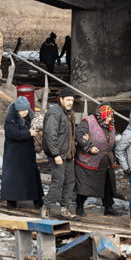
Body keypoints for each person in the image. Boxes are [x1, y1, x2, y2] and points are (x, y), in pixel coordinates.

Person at [74, 103, 120, 218]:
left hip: (106, 160)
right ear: (103, 114)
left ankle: (108, 207)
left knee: (108, 185)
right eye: (108, 116)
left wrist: (115, 155)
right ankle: (79, 206)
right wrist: (89, 147)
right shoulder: (88, 121)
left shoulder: (111, 124)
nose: (110, 119)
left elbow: (112, 141)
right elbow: (79, 135)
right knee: (85, 185)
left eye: (111, 117)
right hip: (89, 161)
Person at [41, 87, 79, 221]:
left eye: (72, 100)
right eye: (68, 100)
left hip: (68, 154)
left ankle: (65, 209)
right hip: (58, 155)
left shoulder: (70, 113)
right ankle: (46, 207)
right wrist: (56, 154)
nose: (70, 102)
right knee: (58, 182)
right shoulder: (54, 113)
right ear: (61, 99)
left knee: (70, 182)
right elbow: (50, 135)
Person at [1, 96, 44, 209]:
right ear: (17, 109)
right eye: (22, 110)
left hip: (28, 152)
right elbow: (12, 133)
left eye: (26, 110)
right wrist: (29, 134)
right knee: (14, 178)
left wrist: (37, 133)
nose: (24, 112)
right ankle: (11, 201)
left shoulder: (30, 116)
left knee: (32, 176)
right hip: (14, 154)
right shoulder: (10, 118)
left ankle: (37, 201)